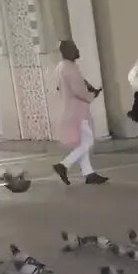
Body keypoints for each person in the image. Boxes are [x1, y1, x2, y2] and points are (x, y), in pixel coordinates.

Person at [52, 39, 108, 185]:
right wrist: (92, 95)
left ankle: (89, 173)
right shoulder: (70, 68)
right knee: (88, 141)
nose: (77, 50)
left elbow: (62, 87)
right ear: (67, 51)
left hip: (70, 109)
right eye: (74, 48)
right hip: (78, 111)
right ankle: (64, 165)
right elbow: (79, 91)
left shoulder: (61, 66)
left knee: (83, 141)